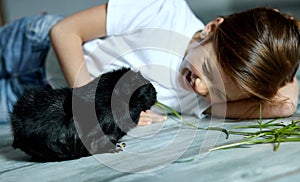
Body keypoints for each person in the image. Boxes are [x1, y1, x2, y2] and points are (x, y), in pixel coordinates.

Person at [0, 0, 299, 126]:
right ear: (211, 29)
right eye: (207, 70)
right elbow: (64, 32)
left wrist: (283, 60)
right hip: (34, 46)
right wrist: (95, 103)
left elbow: (283, 106)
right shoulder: (162, 11)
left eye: (220, 93)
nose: (202, 88)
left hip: (42, 98)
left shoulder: (198, 96)